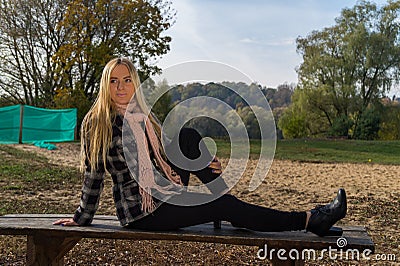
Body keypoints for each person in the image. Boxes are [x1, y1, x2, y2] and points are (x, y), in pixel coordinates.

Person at [53, 57, 347, 237]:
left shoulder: (144, 116)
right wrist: (81, 217)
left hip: (166, 191)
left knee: (188, 136)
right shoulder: (97, 123)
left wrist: (204, 162)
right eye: (114, 81)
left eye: (127, 80)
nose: (121, 87)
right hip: (143, 212)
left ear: (135, 83)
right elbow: (93, 177)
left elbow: (170, 154)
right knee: (224, 205)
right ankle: (311, 220)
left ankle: (224, 205)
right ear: (106, 85)